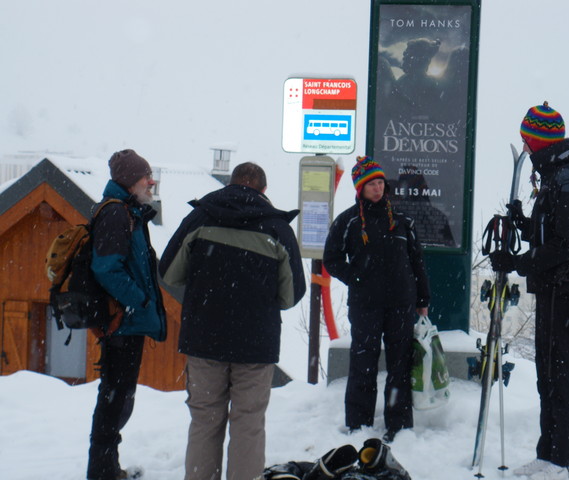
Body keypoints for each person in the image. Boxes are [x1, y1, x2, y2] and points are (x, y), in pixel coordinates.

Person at [159, 162, 306, 480]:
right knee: (248, 423)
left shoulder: (200, 217)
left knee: (204, 420)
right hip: (255, 344)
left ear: (230, 183)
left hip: (203, 338)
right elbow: (292, 294)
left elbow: (169, 271)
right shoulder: (277, 228)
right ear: (264, 191)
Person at [489, 102, 569, 480]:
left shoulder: (568, 178)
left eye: (526, 141)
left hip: (564, 289)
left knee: (563, 372)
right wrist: (522, 219)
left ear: (537, 141)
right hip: (555, 289)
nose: (524, 148)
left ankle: (567, 460)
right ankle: (551, 453)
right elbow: (551, 233)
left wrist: (517, 264)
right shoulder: (557, 175)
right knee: (551, 372)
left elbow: (565, 245)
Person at [323, 156, 431, 443]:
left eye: (381, 182)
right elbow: (331, 259)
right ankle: (358, 424)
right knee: (363, 363)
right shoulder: (347, 221)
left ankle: (399, 425)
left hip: (401, 303)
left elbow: (417, 262)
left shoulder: (403, 221)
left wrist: (423, 297)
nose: (377, 188)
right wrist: (355, 278)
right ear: (360, 187)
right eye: (371, 184)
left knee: (399, 365)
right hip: (365, 305)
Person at [87, 149, 167, 480]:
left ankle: (105, 468)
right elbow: (106, 269)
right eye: (144, 178)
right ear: (130, 181)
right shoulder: (117, 215)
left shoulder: (126, 212)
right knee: (114, 400)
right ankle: (103, 472)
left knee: (117, 399)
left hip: (126, 322)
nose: (150, 182)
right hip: (122, 324)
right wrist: (140, 301)